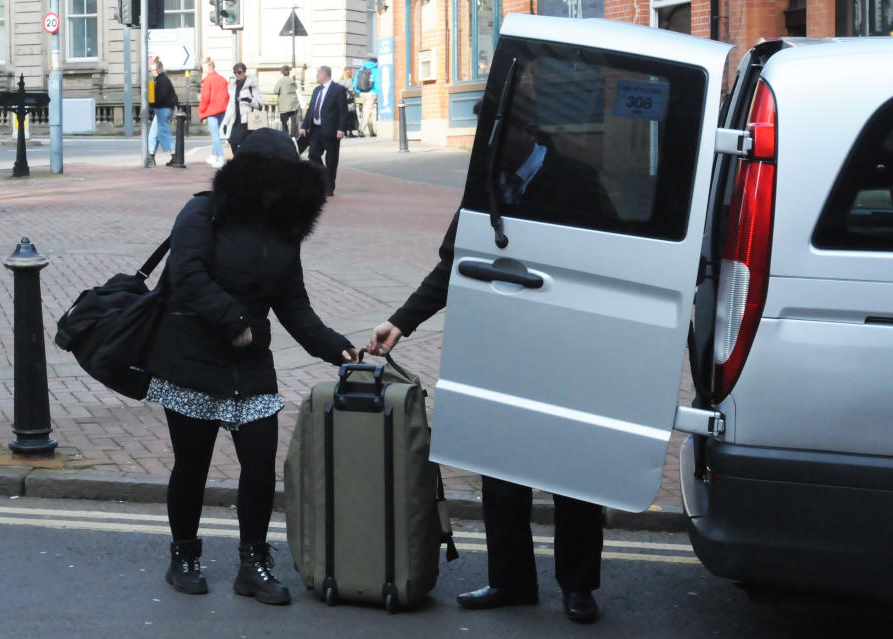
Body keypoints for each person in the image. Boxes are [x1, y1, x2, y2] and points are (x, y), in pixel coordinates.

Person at [367, 111, 614, 625]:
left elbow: (612, 263)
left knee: (572, 470)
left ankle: (577, 586)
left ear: (528, 130)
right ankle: (512, 580)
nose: (489, 148)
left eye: (498, 138)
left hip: (567, 349)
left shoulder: (578, 178)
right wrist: (401, 322)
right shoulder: (486, 181)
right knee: (500, 465)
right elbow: (454, 263)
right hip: (501, 346)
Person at [146, 127, 360, 605]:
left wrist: (336, 347)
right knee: (192, 464)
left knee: (260, 463)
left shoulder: (283, 233)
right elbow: (187, 275)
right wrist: (233, 320)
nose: (277, 190)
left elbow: (294, 305)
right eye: (270, 179)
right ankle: (183, 555)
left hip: (249, 365)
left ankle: (253, 563)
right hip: (191, 358)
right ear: (248, 177)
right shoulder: (203, 211)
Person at [299, 65, 348, 197]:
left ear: (324, 74)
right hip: (316, 129)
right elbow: (310, 110)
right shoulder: (316, 90)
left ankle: (329, 186)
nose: (316, 76)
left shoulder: (338, 89)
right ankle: (323, 177)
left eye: (317, 74)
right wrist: (304, 126)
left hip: (331, 130)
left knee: (331, 159)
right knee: (313, 155)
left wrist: (341, 129)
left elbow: (343, 111)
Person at [223, 62, 263, 156]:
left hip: (249, 121)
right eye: (235, 72)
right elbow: (230, 106)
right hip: (236, 121)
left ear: (244, 72)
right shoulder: (234, 86)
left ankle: (243, 163)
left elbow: (260, 105)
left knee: (248, 145)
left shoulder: (251, 87)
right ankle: (242, 160)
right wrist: (225, 122)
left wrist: (249, 100)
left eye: (239, 72)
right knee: (232, 142)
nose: (237, 74)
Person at [198, 57, 229, 169]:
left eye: (204, 68)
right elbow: (228, 95)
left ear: (208, 68)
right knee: (216, 134)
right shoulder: (222, 79)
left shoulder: (208, 80)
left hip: (212, 110)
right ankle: (213, 155)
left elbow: (204, 98)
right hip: (222, 110)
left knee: (215, 135)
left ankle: (220, 158)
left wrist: (201, 110)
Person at [148, 58, 178, 167]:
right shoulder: (159, 79)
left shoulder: (162, 80)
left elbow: (162, 97)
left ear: (160, 68)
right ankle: (151, 157)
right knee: (154, 133)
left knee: (163, 133)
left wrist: (151, 104)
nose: (153, 72)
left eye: (155, 69)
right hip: (163, 108)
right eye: (152, 70)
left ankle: (175, 156)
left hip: (163, 109)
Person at [354, 58, 378, 137]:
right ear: (375, 63)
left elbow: (355, 83)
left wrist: (359, 91)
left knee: (367, 110)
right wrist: (377, 93)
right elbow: (377, 82)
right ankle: (361, 129)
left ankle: (371, 132)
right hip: (371, 93)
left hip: (362, 93)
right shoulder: (375, 70)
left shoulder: (361, 69)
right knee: (367, 111)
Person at [275, 65, 300, 138]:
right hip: (294, 104)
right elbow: (296, 90)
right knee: (294, 122)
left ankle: (285, 136)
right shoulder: (293, 81)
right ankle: (293, 136)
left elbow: (275, 91)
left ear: (282, 72)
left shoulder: (281, 81)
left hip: (284, 106)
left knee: (284, 122)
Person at [338, 68, 359, 137]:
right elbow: (353, 92)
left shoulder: (340, 81)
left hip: (342, 102)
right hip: (350, 102)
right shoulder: (350, 81)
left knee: (344, 117)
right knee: (351, 117)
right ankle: (350, 132)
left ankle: (345, 131)